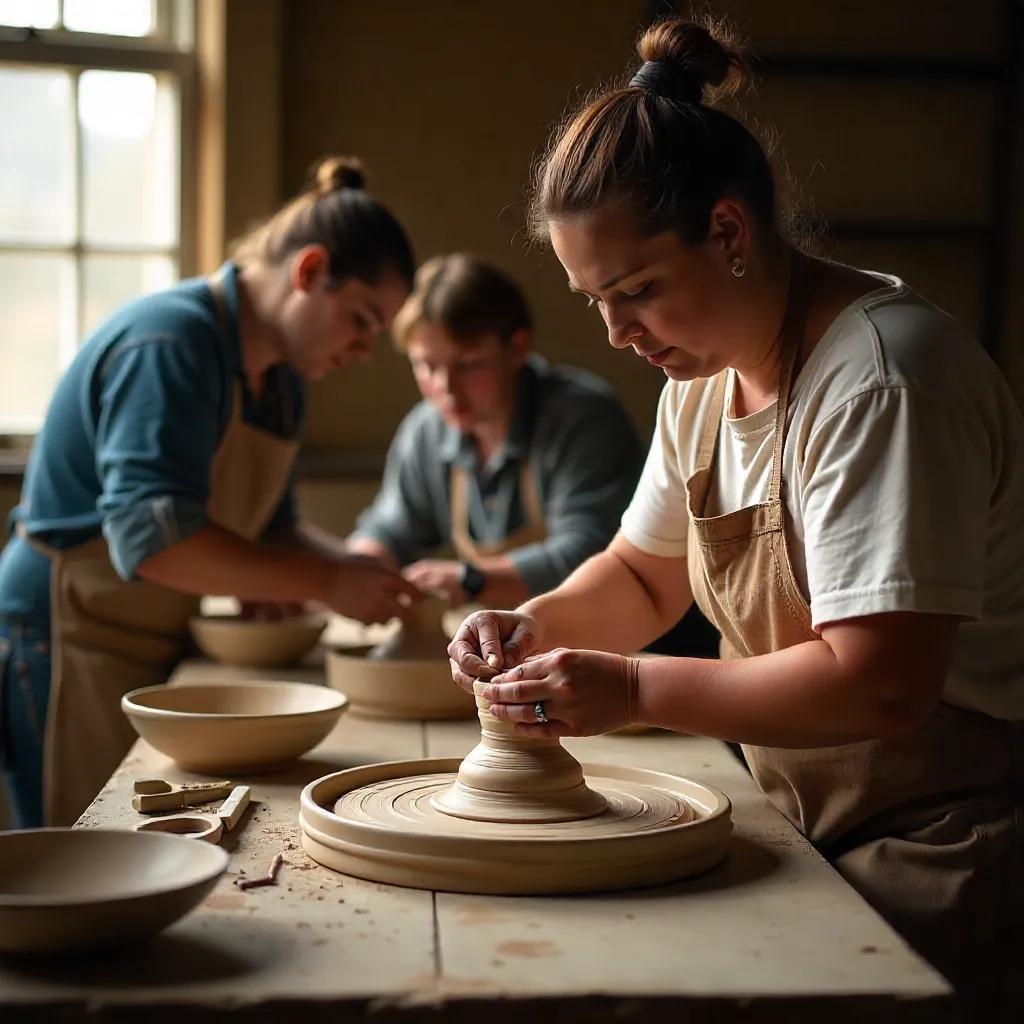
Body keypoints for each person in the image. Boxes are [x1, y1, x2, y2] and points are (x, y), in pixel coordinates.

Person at [448, 16, 1024, 995]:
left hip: (944, 840)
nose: (618, 332)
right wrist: (529, 626)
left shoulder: (881, 381)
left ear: (727, 231)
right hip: (807, 816)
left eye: (635, 289)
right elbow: (640, 572)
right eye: (595, 299)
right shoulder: (703, 386)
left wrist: (630, 691)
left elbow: (880, 684)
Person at [0, 155, 422, 829]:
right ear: (310, 272)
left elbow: (273, 526)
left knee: (139, 838)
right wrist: (323, 580)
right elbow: (154, 541)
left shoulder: (281, 379)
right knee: (73, 848)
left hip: (155, 631)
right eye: (362, 320)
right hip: (67, 632)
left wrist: (353, 567)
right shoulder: (170, 344)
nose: (364, 349)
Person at [346, 252, 650, 611]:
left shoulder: (582, 419)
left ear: (517, 348)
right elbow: (390, 529)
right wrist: (355, 568)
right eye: (427, 366)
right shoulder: (426, 431)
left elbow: (588, 554)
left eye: (468, 365)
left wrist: (470, 580)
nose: (446, 389)